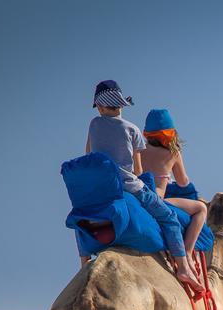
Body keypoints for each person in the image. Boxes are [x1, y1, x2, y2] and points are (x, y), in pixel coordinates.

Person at [84, 80, 202, 290]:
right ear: (121, 105)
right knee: (170, 218)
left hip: (102, 187)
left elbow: (88, 156)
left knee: (81, 217)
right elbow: (138, 172)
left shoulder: (93, 124)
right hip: (132, 187)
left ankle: (83, 264)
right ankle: (184, 265)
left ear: (100, 107)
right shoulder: (132, 130)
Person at [139, 108, 208, 267]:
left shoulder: (138, 150)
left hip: (138, 196)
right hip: (158, 200)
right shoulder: (173, 153)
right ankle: (188, 254)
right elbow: (183, 182)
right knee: (201, 209)